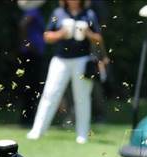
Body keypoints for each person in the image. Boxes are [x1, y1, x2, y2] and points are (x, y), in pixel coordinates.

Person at [27, 0, 102, 144]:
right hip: (60, 60)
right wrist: (61, 33)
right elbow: (47, 36)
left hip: (82, 60)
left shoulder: (89, 14)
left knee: (82, 98)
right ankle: (37, 130)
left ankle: (82, 135)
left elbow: (98, 38)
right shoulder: (58, 13)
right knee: (50, 94)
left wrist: (87, 33)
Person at [17, 0, 46, 126]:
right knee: (31, 86)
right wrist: (27, 44)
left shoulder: (32, 11)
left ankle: (29, 117)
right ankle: (28, 118)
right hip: (31, 53)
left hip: (33, 53)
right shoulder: (32, 11)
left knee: (32, 85)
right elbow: (22, 25)